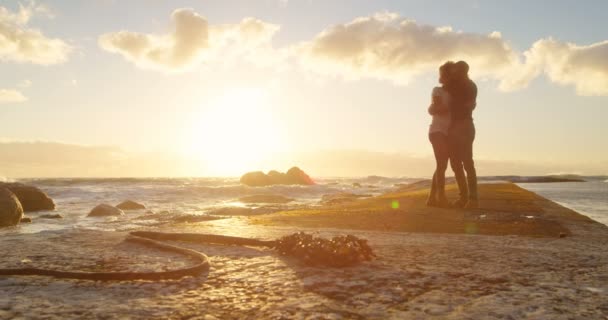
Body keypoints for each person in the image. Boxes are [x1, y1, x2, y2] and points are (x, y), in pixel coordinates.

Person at [446, 61, 478, 209]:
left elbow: (467, 105)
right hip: (454, 127)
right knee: (455, 163)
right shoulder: (453, 86)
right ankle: (463, 197)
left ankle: (472, 199)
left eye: (457, 71)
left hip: (464, 125)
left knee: (467, 162)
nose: (454, 73)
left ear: (463, 71)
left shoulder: (469, 86)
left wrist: (451, 106)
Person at [426, 61, 454, 207]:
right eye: (441, 74)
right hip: (437, 131)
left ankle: (431, 198)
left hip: (447, 133)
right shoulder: (438, 90)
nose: (441, 77)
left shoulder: (454, 93)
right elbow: (437, 108)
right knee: (442, 164)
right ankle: (441, 198)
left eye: (444, 74)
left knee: (441, 166)